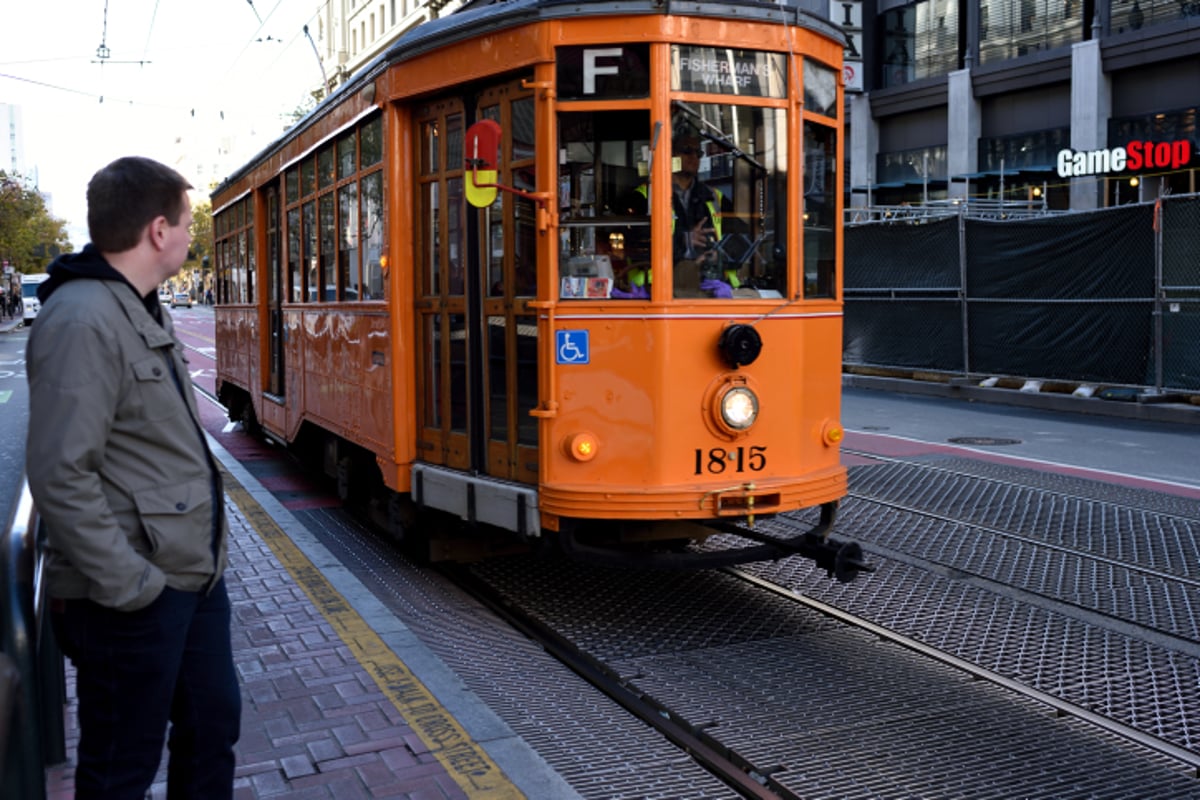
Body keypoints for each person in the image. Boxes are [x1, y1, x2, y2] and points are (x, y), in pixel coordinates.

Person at [25, 156, 240, 799]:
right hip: (132, 595)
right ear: (156, 230)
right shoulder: (83, 319)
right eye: (184, 223)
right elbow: (60, 473)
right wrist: (132, 585)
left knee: (211, 730)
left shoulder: (139, 306)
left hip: (190, 577)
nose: (190, 236)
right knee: (121, 767)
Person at [618, 131, 741, 298]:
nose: (694, 157)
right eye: (687, 150)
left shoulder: (715, 198)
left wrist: (719, 254)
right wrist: (684, 241)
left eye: (698, 153)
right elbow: (636, 245)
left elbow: (740, 242)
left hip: (708, 288)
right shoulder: (643, 198)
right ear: (669, 154)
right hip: (655, 288)